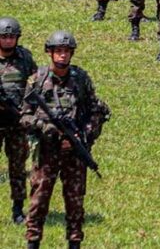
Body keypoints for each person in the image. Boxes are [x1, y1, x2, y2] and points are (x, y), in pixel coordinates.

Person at [21, 31, 110, 249]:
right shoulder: (37, 80)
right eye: (58, 51)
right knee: (39, 201)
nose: (62, 56)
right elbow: (24, 116)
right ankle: (33, 242)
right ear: (50, 53)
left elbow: (99, 111)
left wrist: (85, 135)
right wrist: (45, 127)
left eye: (66, 52)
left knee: (75, 204)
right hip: (46, 151)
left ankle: (74, 242)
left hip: (74, 154)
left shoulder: (80, 79)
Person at [0, 17, 35, 225]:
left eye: (11, 37)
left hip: (17, 123)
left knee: (18, 168)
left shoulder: (24, 57)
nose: (7, 41)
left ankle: (18, 210)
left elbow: (35, 85)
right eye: (4, 37)